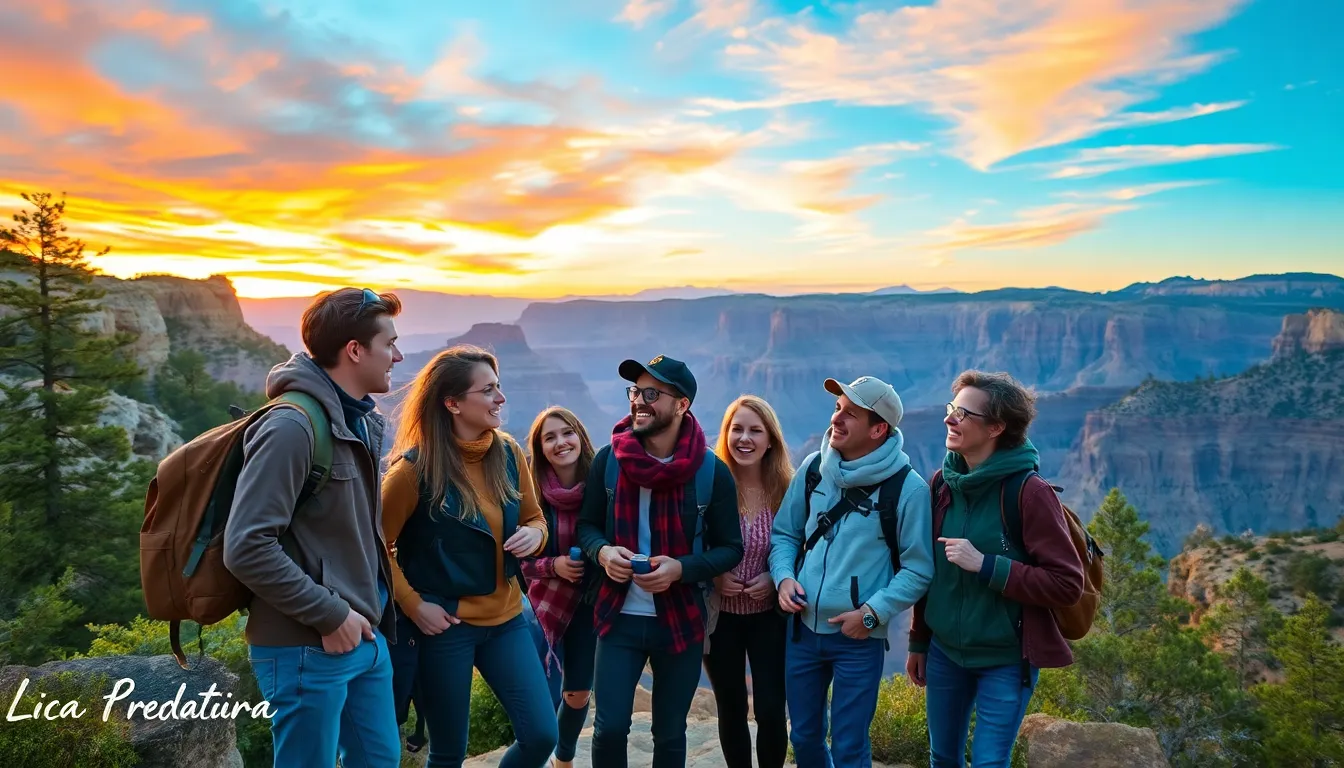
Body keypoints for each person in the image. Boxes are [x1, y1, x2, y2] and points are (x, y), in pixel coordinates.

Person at [223, 287, 405, 768]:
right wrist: (330, 616)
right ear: (354, 350)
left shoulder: (357, 420)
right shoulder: (292, 427)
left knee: (380, 760)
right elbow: (246, 546)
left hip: (364, 637)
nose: (398, 355)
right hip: (306, 646)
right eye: (389, 343)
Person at [381, 344, 558, 768]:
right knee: (448, 753)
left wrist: (535, 536)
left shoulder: (510, 453)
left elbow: (536, 518)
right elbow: (375, 546)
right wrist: (414, 604)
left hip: (508, 620)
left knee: (541, 736)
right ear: (453, 403)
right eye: (489, 390)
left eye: (499, 387)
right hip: (446, 628)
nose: (501, 398)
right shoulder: (412, 471)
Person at [907, 370, 1084, 768]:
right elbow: (929, 570)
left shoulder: (1029, 492)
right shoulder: (942, 484)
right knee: (942, 758)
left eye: (964, 414)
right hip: (945, 653)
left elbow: (1067, 584)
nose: (949, 419)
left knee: (989, 763)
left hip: (1005, 659)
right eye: (951, 409)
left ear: (997, 428)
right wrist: (919, 641)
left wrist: (987, 566)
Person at [576, 354, 744, 768]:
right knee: (610, 728)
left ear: (682, 404)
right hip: (619, 617)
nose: (638, 401)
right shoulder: (609, 460)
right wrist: (602, 552)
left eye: (652, 393)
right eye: (635, 391)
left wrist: (681, 569)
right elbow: (587, 525)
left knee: (670, 733)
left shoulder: (710, 472)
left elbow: (730, 548)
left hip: (681, 618)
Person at [770, 375, 935, 768]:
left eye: (850, 414)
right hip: (802, 631)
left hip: (856, 639)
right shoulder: (814, 468)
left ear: (879, 429)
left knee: (848, 744)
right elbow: (784, 535)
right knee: (805, 737)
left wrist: (871, 614)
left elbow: (918, 568)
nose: (836, 419)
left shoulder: (907, 490)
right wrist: (783, 578)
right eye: (837, 408)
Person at [702, 395, 793, 768]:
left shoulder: (787, 489)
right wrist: (714, 573)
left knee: (771, 708)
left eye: (756, 430)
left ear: (770, 439)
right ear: (725, 435)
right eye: (737, 429)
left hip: (770, 616)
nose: (745, 438)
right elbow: (691, 541)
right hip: (719, 615)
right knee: (732, 707)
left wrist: (775, 577)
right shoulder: (709, 485)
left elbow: (802, 547)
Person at [520, 406, 600, 768]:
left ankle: (563, 759)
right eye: (549, 437)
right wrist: (554, 566)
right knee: (544, 695)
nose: (560, 442)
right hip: (541, 605)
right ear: (540, 448)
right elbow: (514, 560)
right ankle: (533, 755)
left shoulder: (601, 486)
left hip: (588, 603)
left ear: (580, 437)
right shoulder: (529, 492)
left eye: (567, 433)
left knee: (579, 692)